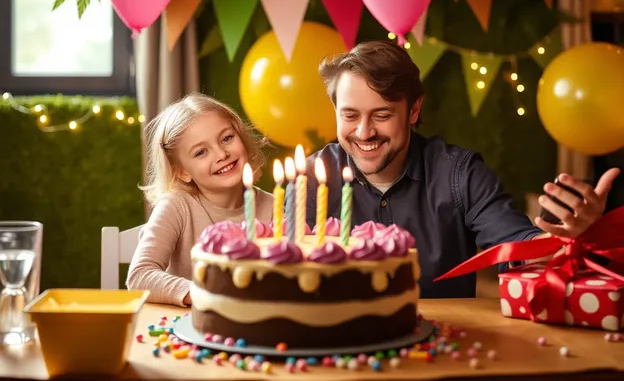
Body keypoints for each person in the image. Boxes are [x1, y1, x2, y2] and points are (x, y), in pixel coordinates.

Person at [303, 40, 621, 299]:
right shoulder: (311, 180)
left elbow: (517, 250)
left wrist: (569, 240)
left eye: (382, 115)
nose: (364, 132)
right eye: (350, 116)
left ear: (414, 110)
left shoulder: (460, 174)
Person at [127, 93, 274, 306]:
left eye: (227, 138)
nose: (221, 154)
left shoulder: (275, 207)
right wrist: (204, 294)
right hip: (189, 326)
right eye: (201, 152)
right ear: (182, 172)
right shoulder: (176, 206)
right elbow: (139, 276)